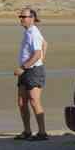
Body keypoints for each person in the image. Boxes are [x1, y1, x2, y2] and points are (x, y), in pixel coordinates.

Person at [14, 8, 48, 141]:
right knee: (22, 101)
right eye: (20, 16)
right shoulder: (29, 32)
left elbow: (37, 53)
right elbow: (45, 44)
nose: (21, 18)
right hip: (27, 70)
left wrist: (24, 67)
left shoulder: (33, 32)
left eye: (24, 16)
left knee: (34, 101)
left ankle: (42, 132)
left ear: (32, 18)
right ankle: (27, 131)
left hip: (33, 71)